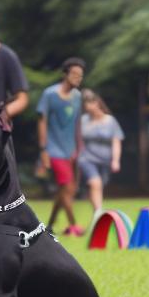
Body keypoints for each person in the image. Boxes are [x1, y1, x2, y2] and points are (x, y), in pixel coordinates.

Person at [36, 58, 86, 236]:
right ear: (65, 74)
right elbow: (42, 121)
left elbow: (77, 123)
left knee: (65, 189)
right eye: (74, 74)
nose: (77, 78)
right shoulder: (50, 94)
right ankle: (74, 225)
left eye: (80, 76)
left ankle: (49, 226)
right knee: (67, 187)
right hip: (53, 149)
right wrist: (43, 150)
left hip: (70, 150)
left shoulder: (78, 97)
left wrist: (79, 147)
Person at [78, 89, 123, 220]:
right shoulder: (83, 120)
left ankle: (96, 212)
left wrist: (116, 160)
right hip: (86, 158)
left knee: (99, 185)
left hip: (105, 160)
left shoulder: (110, 121)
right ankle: (98, 214)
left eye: (90, 104)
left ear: (97, 103)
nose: (88, 108)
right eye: (86, 105)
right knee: (95, 183)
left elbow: (116, 141)